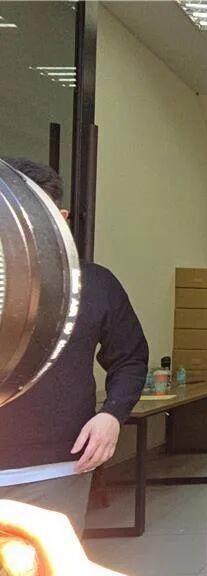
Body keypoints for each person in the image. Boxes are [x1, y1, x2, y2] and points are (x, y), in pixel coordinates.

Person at [0, 158, 149, 536]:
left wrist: (112, 415)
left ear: (60, 218)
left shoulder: (95, 284)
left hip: (57, 469)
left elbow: (130, 358)